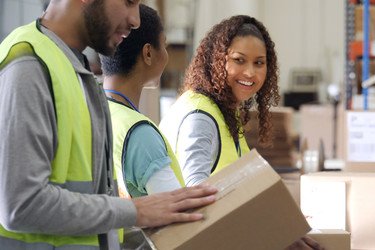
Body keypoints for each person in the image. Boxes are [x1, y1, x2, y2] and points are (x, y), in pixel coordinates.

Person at [0, 0, 217, 249]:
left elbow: (94, 214)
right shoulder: (30, 64)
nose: (135, 20)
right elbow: (22, 204)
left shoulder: (74, 71)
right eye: (128, 2)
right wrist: (135, 210)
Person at [159, 15, 324, 250]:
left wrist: (281, 225)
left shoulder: (224, 112)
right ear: (216, 60)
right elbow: (196, 198)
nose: (250, 72)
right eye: (239, 60)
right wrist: (272, 233)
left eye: (259, 63)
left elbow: (241, 190)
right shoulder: (200, 116)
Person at [99, 4, 184, 198]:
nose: (166, 54)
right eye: (163, 45)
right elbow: (179, 214)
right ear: (148, 53)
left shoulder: (96, 112)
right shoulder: (140, 134)